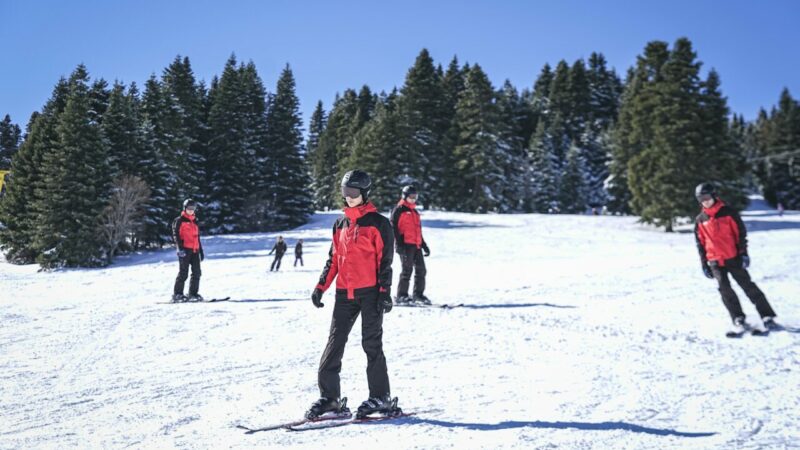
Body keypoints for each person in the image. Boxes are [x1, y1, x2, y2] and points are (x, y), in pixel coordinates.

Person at [306, 170, 399, 420]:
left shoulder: (379, 224)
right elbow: (333, 260)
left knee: (371, 343)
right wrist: (320, 287)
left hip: (370, 294)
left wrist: (384, 292)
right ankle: (330, 398)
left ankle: (381, 396)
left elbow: (385, 263)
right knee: (335, 343)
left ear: (365, 193)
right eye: (345, 192)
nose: (348, 197)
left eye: (354, 193)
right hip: (344, 294)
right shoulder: (340, 224)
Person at [694, 183, 779, 335]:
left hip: (733, 257)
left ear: (714, 195)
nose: (705, 201)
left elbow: (740, 234)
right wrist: (704, 264)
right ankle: (738, 318)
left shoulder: (728, 213)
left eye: (707, 197)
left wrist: (743, 253)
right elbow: (700, 244)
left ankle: (767, 315)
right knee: (725, 290)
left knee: (748, 286)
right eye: (701, 199)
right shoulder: (700, 220)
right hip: (714, 261)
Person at [390, 185, 431, 305]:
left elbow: (417, 230)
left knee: (421, 270)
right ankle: (401, 295)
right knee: (407, 271)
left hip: (416, 245)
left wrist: (424, 245)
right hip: (405, 245)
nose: (413, 199)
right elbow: (394, 228)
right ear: (405, 196)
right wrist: (399, 244)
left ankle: (418, 295)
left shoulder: (414, 212)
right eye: (411, 197)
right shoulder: (399, 209)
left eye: (415, 197)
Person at [171, 199, 204, 302]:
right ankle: (177, 294)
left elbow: (197, 237)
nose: (191, 211)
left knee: (197, 272)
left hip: (195, 250)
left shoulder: (195, 221)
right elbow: (176, 235)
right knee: (183, 273)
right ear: (184, 208)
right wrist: (180, 248)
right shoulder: (179, 220)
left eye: (193, 209)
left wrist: (201, 251)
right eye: (189, 209)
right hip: (184, 250)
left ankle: (192, 294)